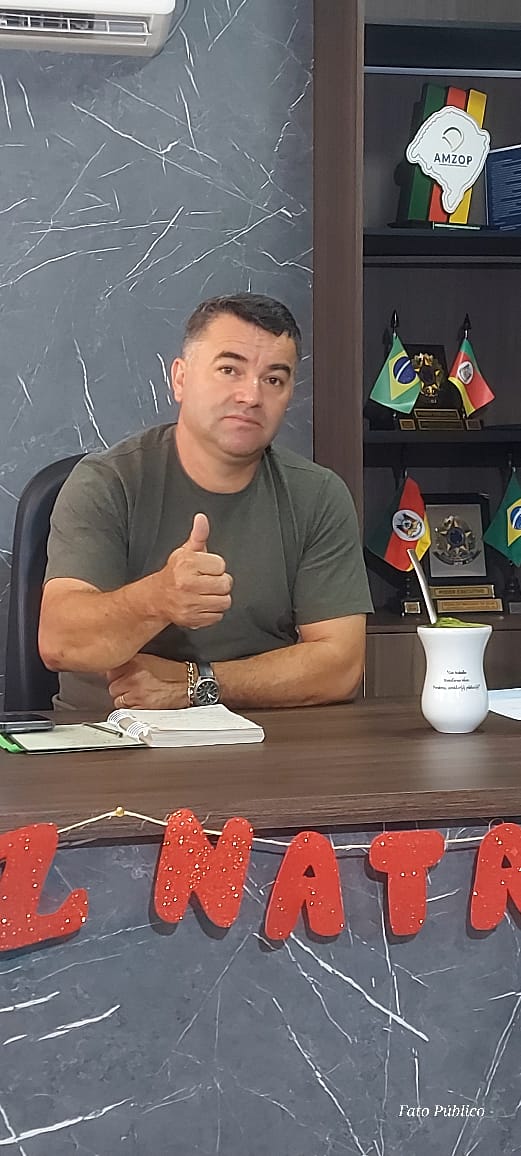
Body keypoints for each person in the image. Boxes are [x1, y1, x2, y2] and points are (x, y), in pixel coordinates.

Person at [39, 293, 373, 714]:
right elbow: (60, 642)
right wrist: (159, 597)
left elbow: (341, 666)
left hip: (262, 737)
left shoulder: (318, 495)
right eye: (229, 370)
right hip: (109, 732)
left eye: (274, 379)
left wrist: (196, 684)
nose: (251, 395)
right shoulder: (107, 481)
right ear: (180, 379)